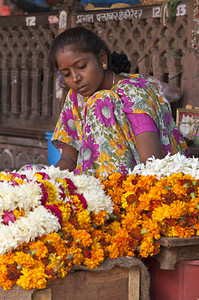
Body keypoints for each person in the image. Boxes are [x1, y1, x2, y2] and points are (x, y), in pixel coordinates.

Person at [50, 26, 188, 180]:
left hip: (139, 182)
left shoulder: (134, 92)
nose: (75, 78)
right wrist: (46, 183)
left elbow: (152, 162)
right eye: (67, 74)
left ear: (102, 58)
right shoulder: (76, 97)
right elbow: (68, 159)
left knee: (101, 101)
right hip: (92, 186)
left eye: (82, 67)